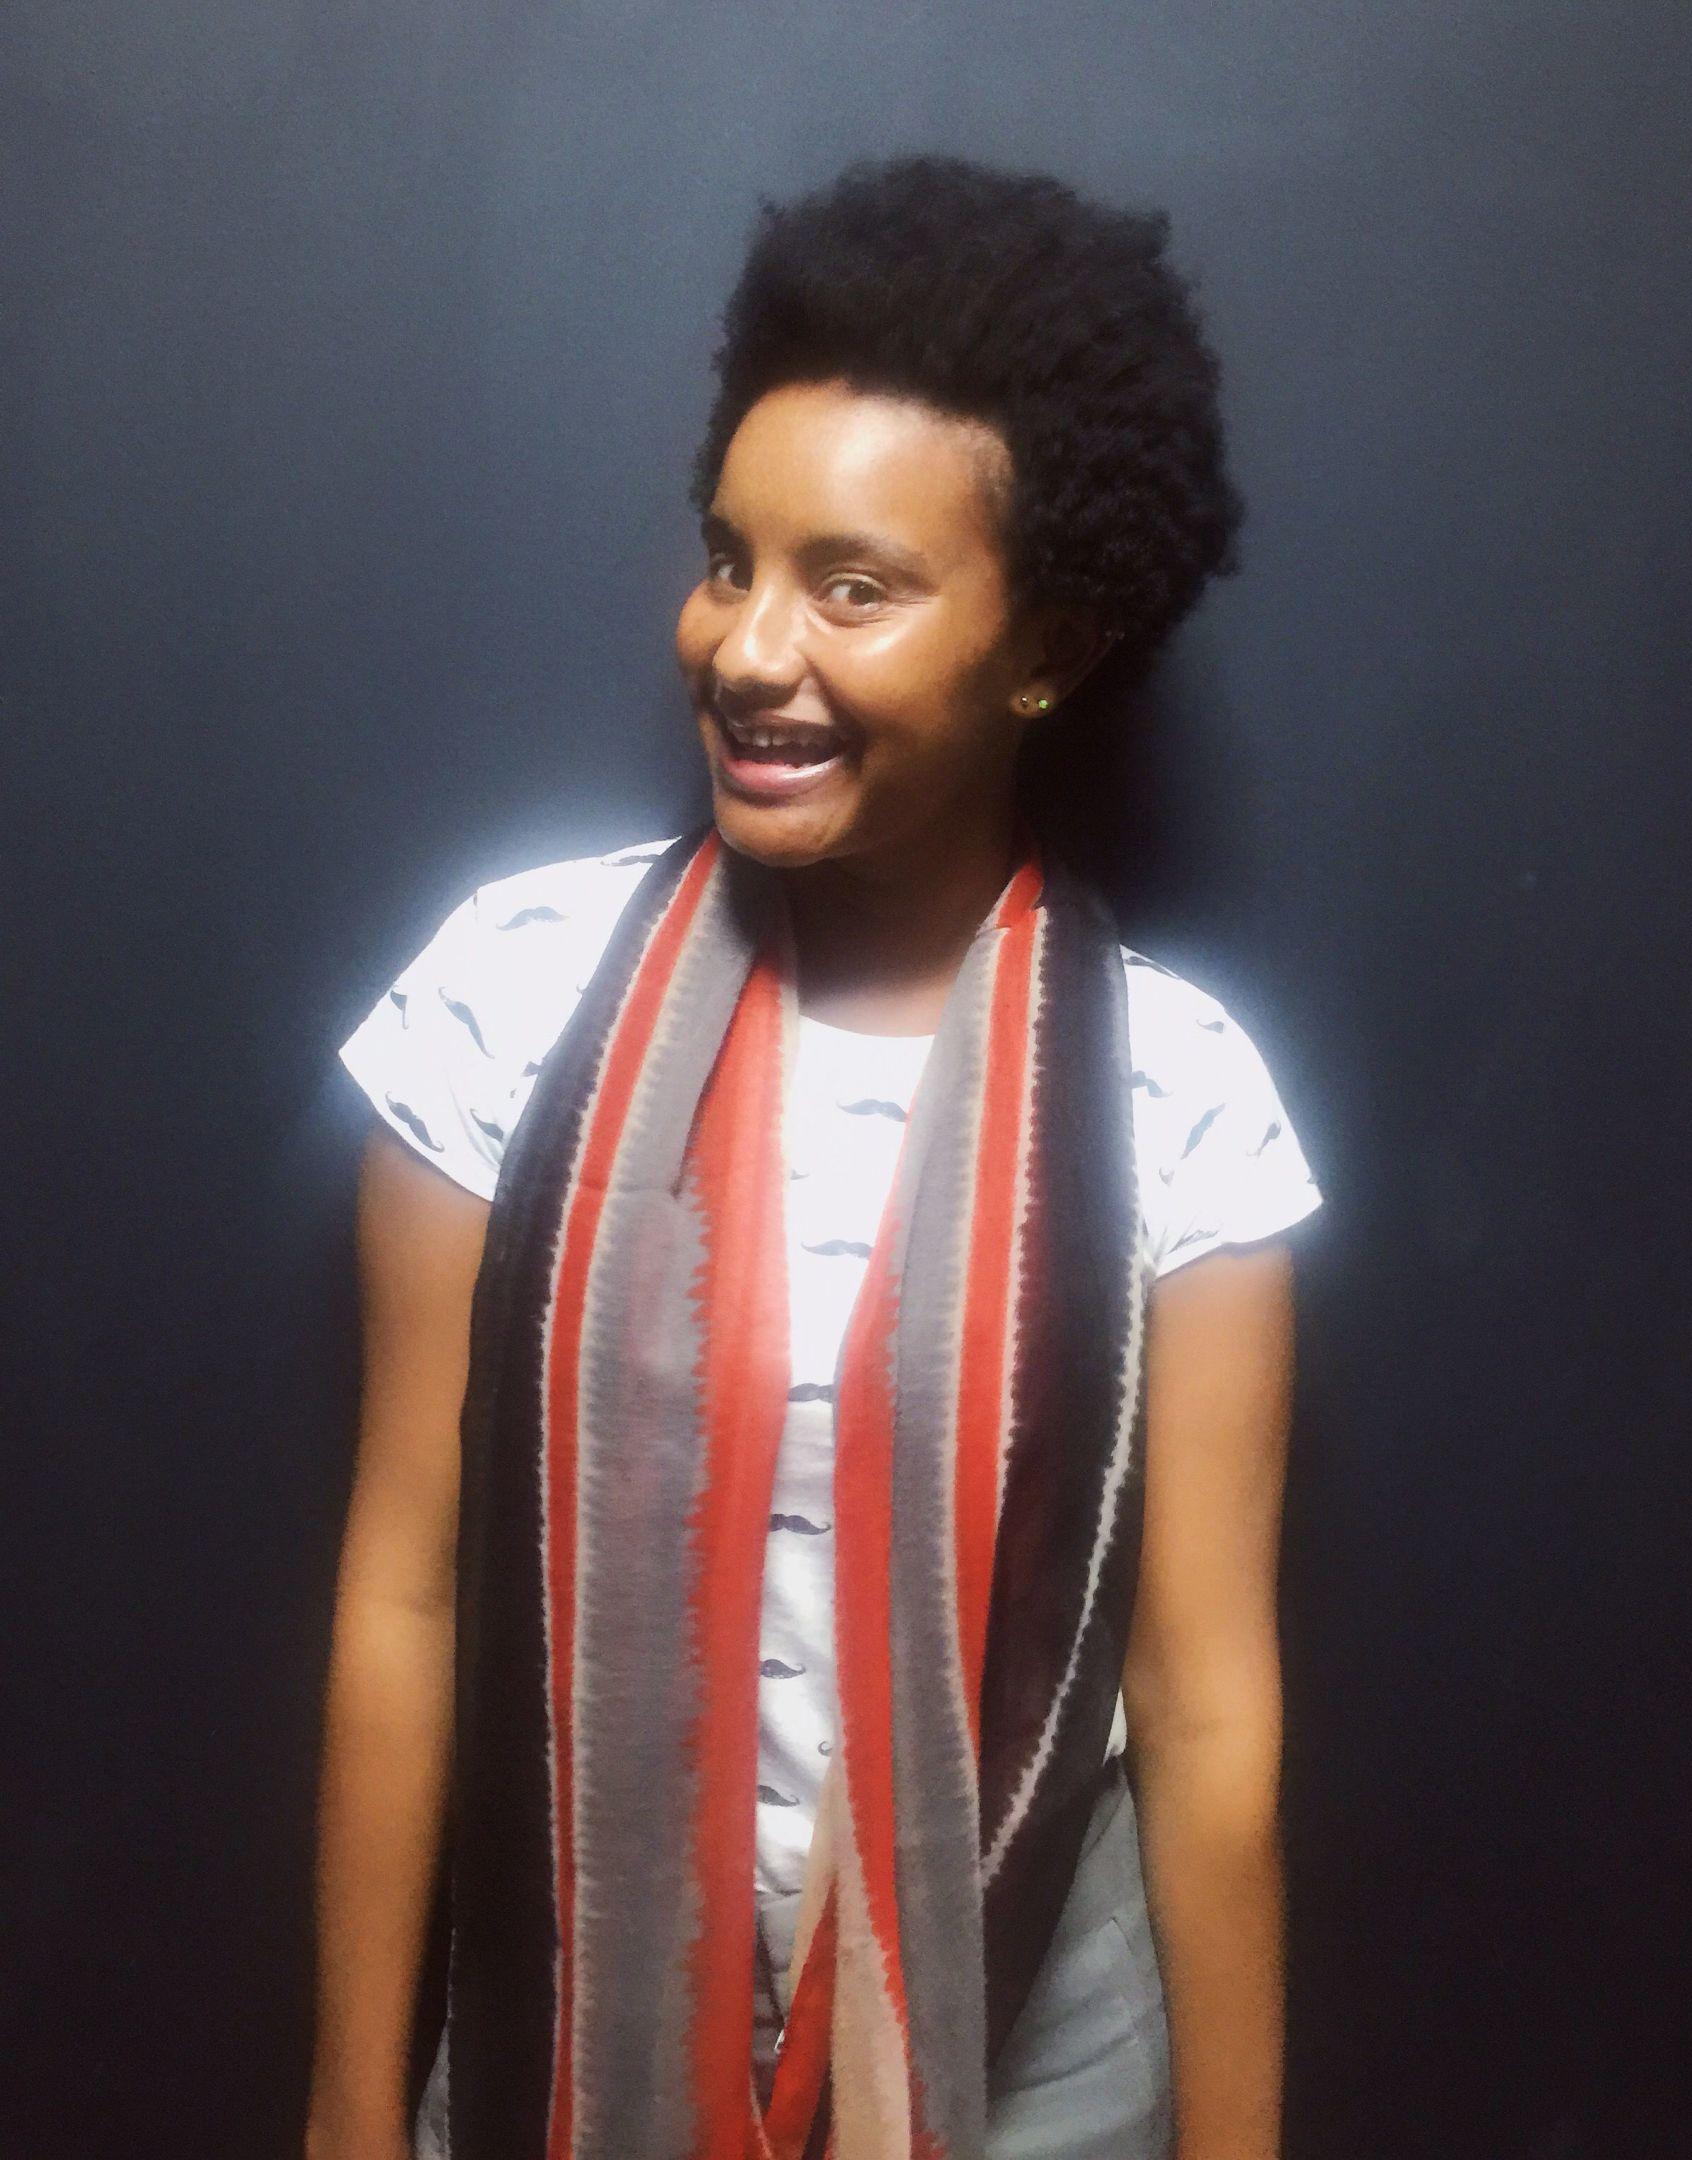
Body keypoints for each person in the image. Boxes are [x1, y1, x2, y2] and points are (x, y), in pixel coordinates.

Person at [307, 153, 1322, 2160]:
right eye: (728, 559)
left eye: (853, 586)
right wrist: (346, 2111)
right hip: (564, 2029)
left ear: (1047, 642)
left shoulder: (1176, 1092)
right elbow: (404, 1592)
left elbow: (1207, 1710)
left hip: (1034, 2064)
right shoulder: (508, 991)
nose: (746, 648)